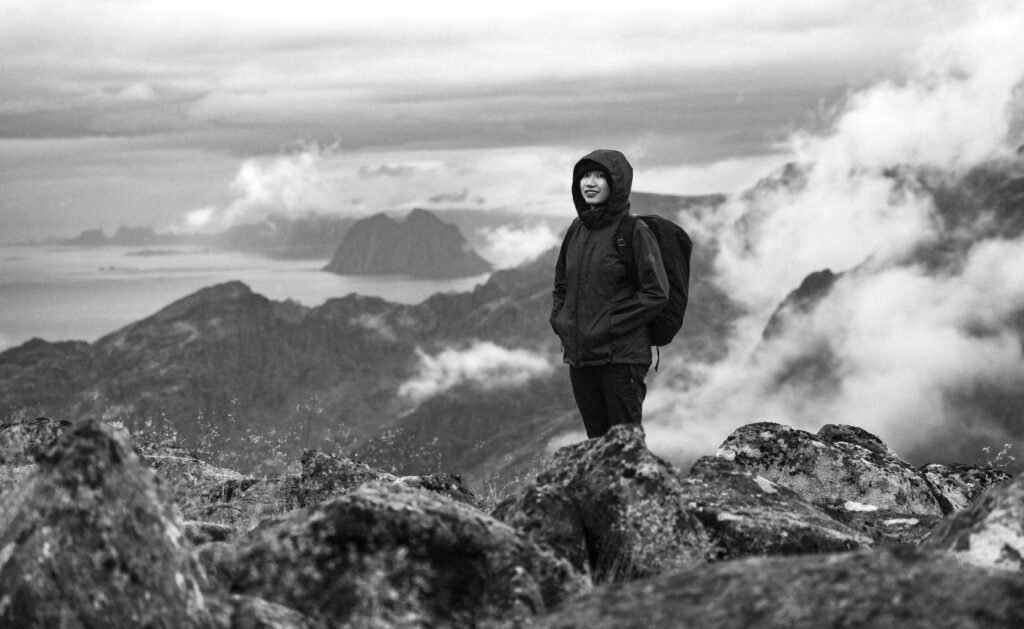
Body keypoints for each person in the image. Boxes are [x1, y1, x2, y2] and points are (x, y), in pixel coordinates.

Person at [550, 149, 669, 438]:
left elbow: (656, 293)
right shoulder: (577, 229)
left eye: (599, 176)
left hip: (621, 360)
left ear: (616, 184)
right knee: (597, 445)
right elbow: (561, 285)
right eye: (585, 176)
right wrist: (561, 320)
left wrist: (608, 325)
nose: (589, 183)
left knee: (624, 447)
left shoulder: (634, 232)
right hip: (581, 358)